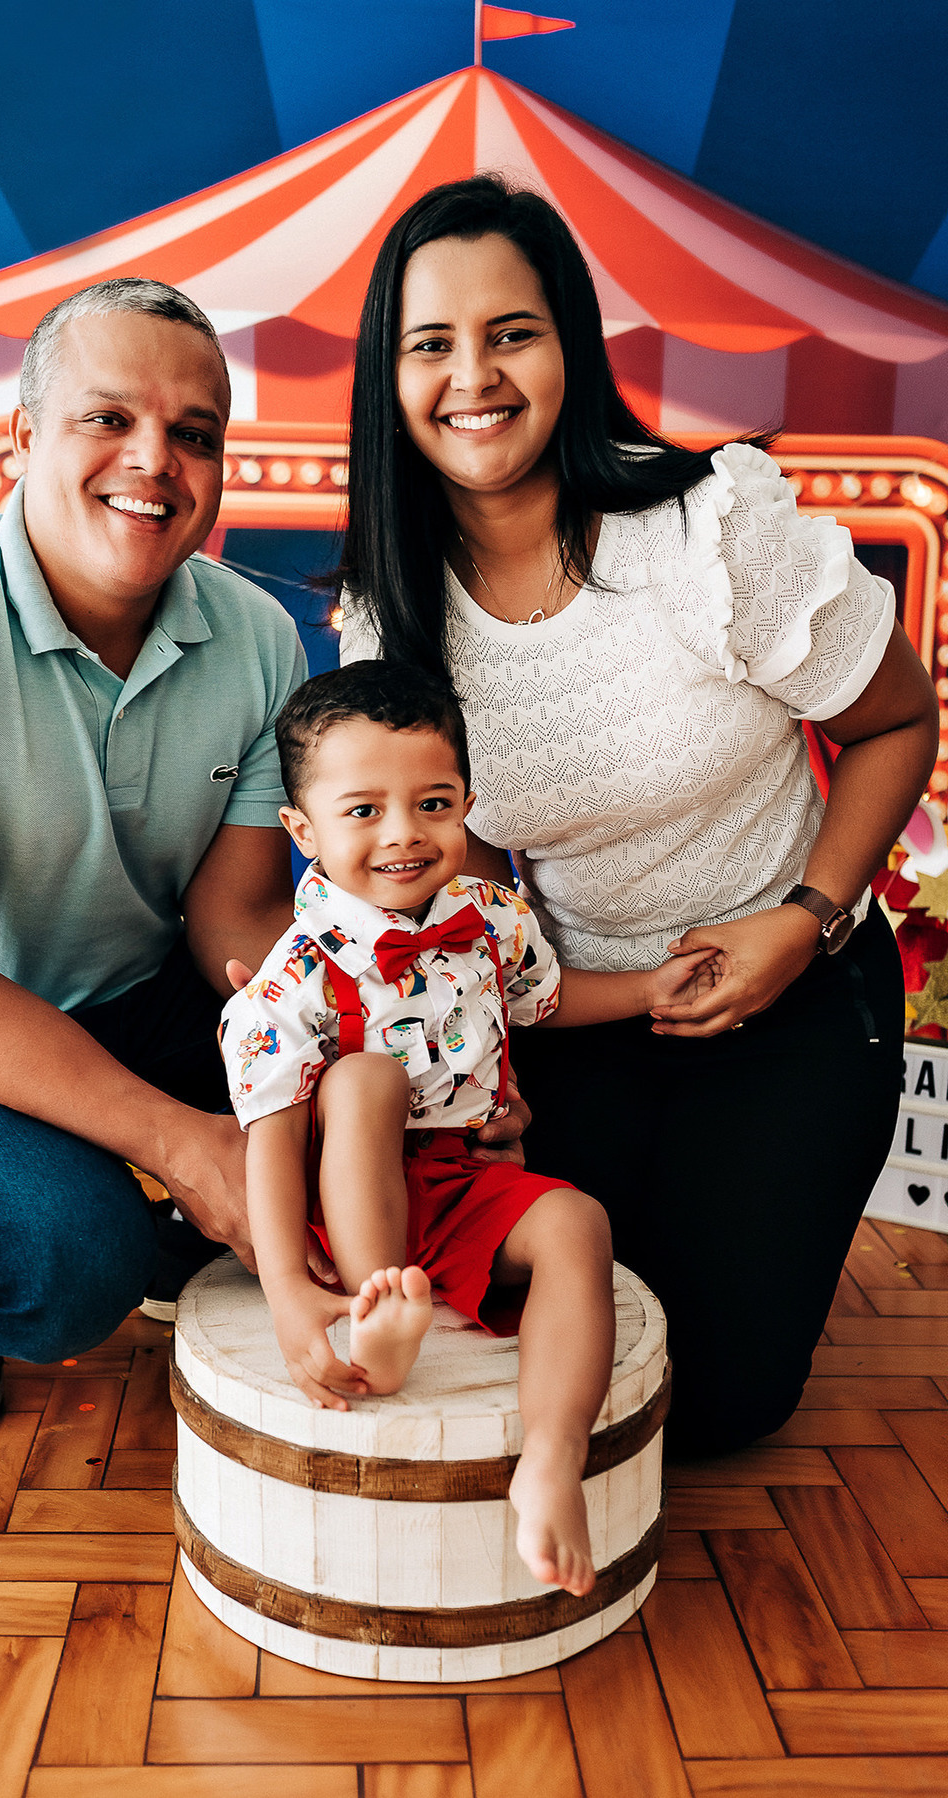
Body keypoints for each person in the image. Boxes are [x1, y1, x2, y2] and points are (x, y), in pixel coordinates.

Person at [337, 175, 940, 1456]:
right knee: (563, 1339)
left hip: (797, 990)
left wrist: (805, 919)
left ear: (570, 345)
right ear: (388, 379)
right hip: (583, 1016)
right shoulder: (394, 614)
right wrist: (487, 1068)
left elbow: (899, 721)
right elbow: (466, 877)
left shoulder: (708, 533)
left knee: (713, 1400)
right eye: (431, 344)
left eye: (512, 332)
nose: (473, 377)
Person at [0, 277, 312, 1427]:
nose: (155, 460)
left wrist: (374, 1050)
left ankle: (156, 1212)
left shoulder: (259, 637)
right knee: (69, 1265)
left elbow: (235, 923)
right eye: (108, 418)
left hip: (132, 992)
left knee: (352, 1115)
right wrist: (185, 1143)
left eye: (194, 434)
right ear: (25, 437)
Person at [221, 661, 716, 1590]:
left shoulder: (491, 918)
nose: (403, 833)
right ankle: (382, 1308)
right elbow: (273, 1135)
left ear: (468, 806)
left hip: (463, 1176)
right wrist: (287, 1286)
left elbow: (546, 1002)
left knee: (578, 1222)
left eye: (433, 804)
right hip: (346, 1187)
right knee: (364, 1078)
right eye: (363, 810)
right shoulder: (291, 977)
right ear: (303, 829)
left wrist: (647, 989)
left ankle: (553, 1457)